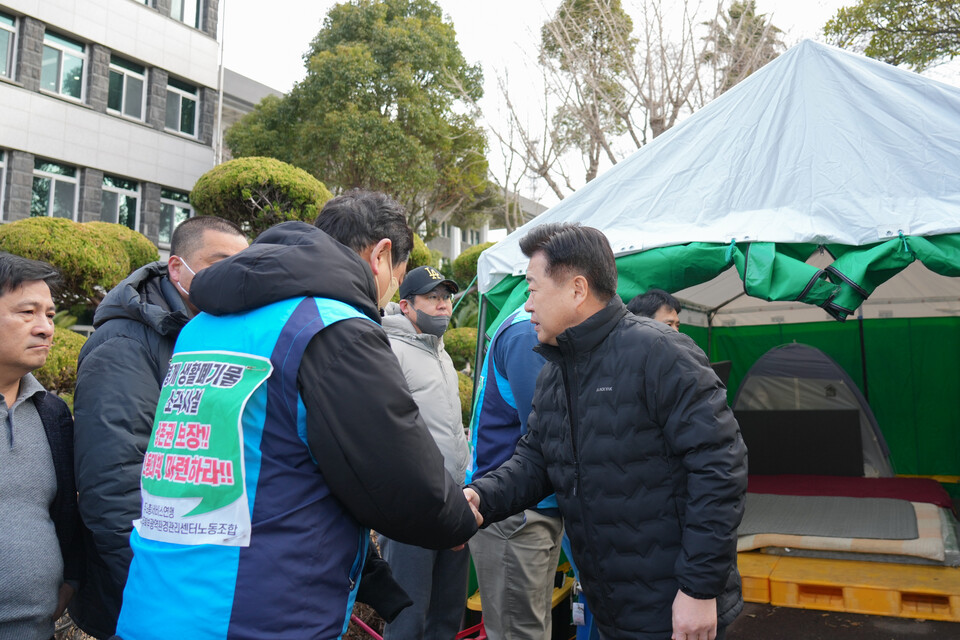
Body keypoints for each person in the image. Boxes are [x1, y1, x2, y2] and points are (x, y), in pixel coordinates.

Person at [115, 190, 478, 639]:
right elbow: (397, 472)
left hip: (157, 599)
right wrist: (454, 519)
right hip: (256, 612)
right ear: (381, 254)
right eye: (396, 277)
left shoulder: (200, 327)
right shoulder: (332, 326)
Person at [464, 223, 747, 640]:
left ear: (577, 290)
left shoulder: (661, 353)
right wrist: (479, 498)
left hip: (674, 609)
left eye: (532, 289)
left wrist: (699, 589)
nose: (526, 306)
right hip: (610, 605)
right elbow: (535, 462)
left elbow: (720, 469)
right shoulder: (555, 372)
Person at [70, 216, 248, 639]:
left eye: (242, 266)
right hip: (147, 596)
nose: (232, 277)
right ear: (176, 268)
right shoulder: (125, 345)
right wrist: (150, 589)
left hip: (196, 582)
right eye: (218, 262)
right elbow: (114, 484)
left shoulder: (213, 334)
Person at [378, 265, 470, 639]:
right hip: (411, 508)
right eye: (432, 298)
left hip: (455, 501)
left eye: (446, 297)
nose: (443, 306)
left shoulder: (442, 353)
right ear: (406, 306)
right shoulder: (389, 351)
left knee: (447, 616)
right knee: (409, 617)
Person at [467, 305, 563, 640]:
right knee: (518, 632)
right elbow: (547, 436)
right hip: (516, 512)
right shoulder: (527, 334)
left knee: (531, 627)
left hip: (533, 509)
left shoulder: (533, 328)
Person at [0, 253, 81, 639]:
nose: (46, 328)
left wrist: (71, 578)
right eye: (28, 312)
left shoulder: (51, 413)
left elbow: (64, 511)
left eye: (50, 314)